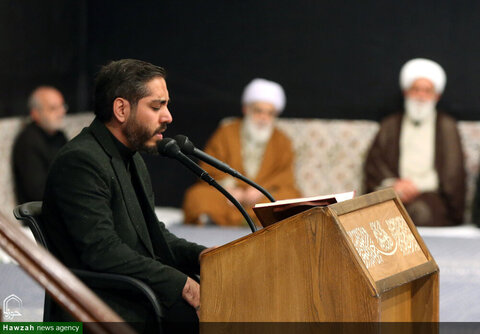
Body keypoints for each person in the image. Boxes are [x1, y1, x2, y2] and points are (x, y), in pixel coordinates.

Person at [41, 59, 211, 330]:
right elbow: (102, 252)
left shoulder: (131, 158)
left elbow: (152, 235)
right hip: (104, 307)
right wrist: (181, 283)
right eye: (157, 106)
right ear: (121, 109)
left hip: (133, 292)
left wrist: (206, 258)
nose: (168, 117)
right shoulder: (81, 161)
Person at [183, 78, 301, 226]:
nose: (264, 118)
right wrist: (229, 188)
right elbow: (208, 166)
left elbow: (285, 176)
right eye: (259, 111)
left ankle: (226, 219)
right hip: (228, 196)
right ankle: (255, 220)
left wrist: (261, 190)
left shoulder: (282, 140)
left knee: (288, 198)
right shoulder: (226, 132)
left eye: (270, 113)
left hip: (262, 196)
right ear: (246, 109)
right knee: (196, 196)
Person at [365, 58, 465, 226]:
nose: (421, 96)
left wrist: (416, 186)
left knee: (420, 212)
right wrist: (394, 186)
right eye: (416, 89)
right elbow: (375, 166)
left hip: (431, 195)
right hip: (393, 192)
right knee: (385, 215)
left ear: (436, 96)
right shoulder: (390, 125)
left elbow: (452, 173)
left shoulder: (447, 127)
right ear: (406, 92)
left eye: (427, 91)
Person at [12, 86, 68, 204]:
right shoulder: (28, 141)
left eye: (62, 106)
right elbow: (37, 192)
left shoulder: (59, 135)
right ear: (35, 114)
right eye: (53, 108)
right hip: (41, 212)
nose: (61, 112)